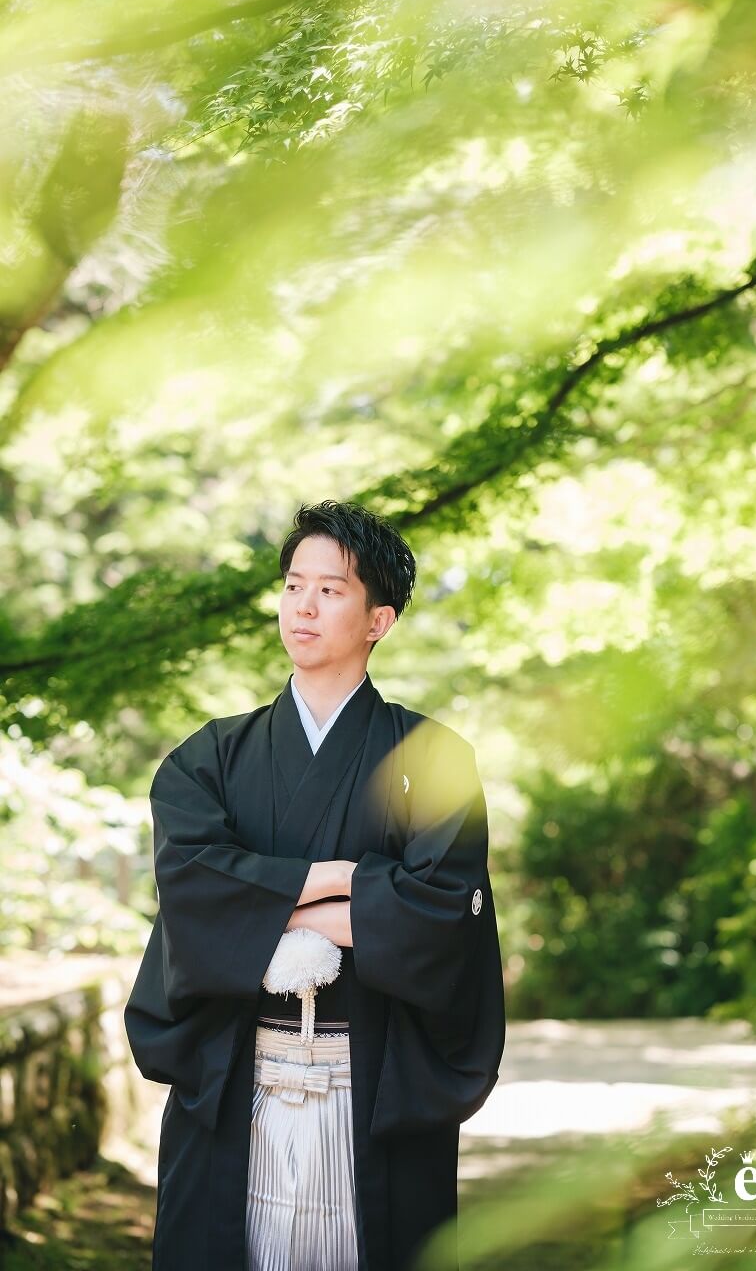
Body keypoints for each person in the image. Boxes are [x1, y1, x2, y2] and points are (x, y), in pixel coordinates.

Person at [124, 499, 506, 1271]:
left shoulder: (432, 757)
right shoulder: (210, 758)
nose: (302, 604)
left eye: (330, 590)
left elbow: (439, 914)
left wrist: (273, 905)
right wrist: (346, 883)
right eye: (294, 584)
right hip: (239, 1074)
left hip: (373, 1082)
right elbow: (192, 892)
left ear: (379, 620)